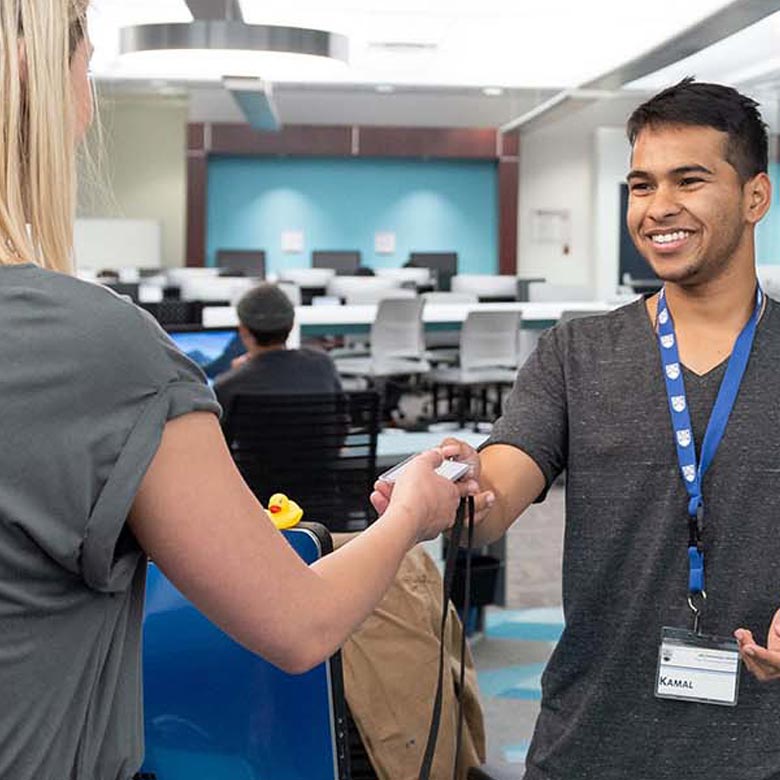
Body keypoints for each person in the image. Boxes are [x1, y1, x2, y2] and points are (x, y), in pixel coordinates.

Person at [0, 4, 477, 779]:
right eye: (87, 65)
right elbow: (298, 623)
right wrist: (415, 513)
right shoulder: (103, 353)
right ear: (34, 77)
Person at [375, 78, 780, 779]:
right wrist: (463, 491)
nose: (659, 209)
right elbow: (497, 489)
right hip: (591, 742)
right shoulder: (577, 351)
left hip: (762, 747)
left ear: (755, 197)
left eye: (689, 180)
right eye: (641, 186)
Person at [213, 281, 343, 413]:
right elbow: (342, 422)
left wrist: (236, 373)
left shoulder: (227, 386)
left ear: (244, 331)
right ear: (292, 325)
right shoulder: (323, 364)